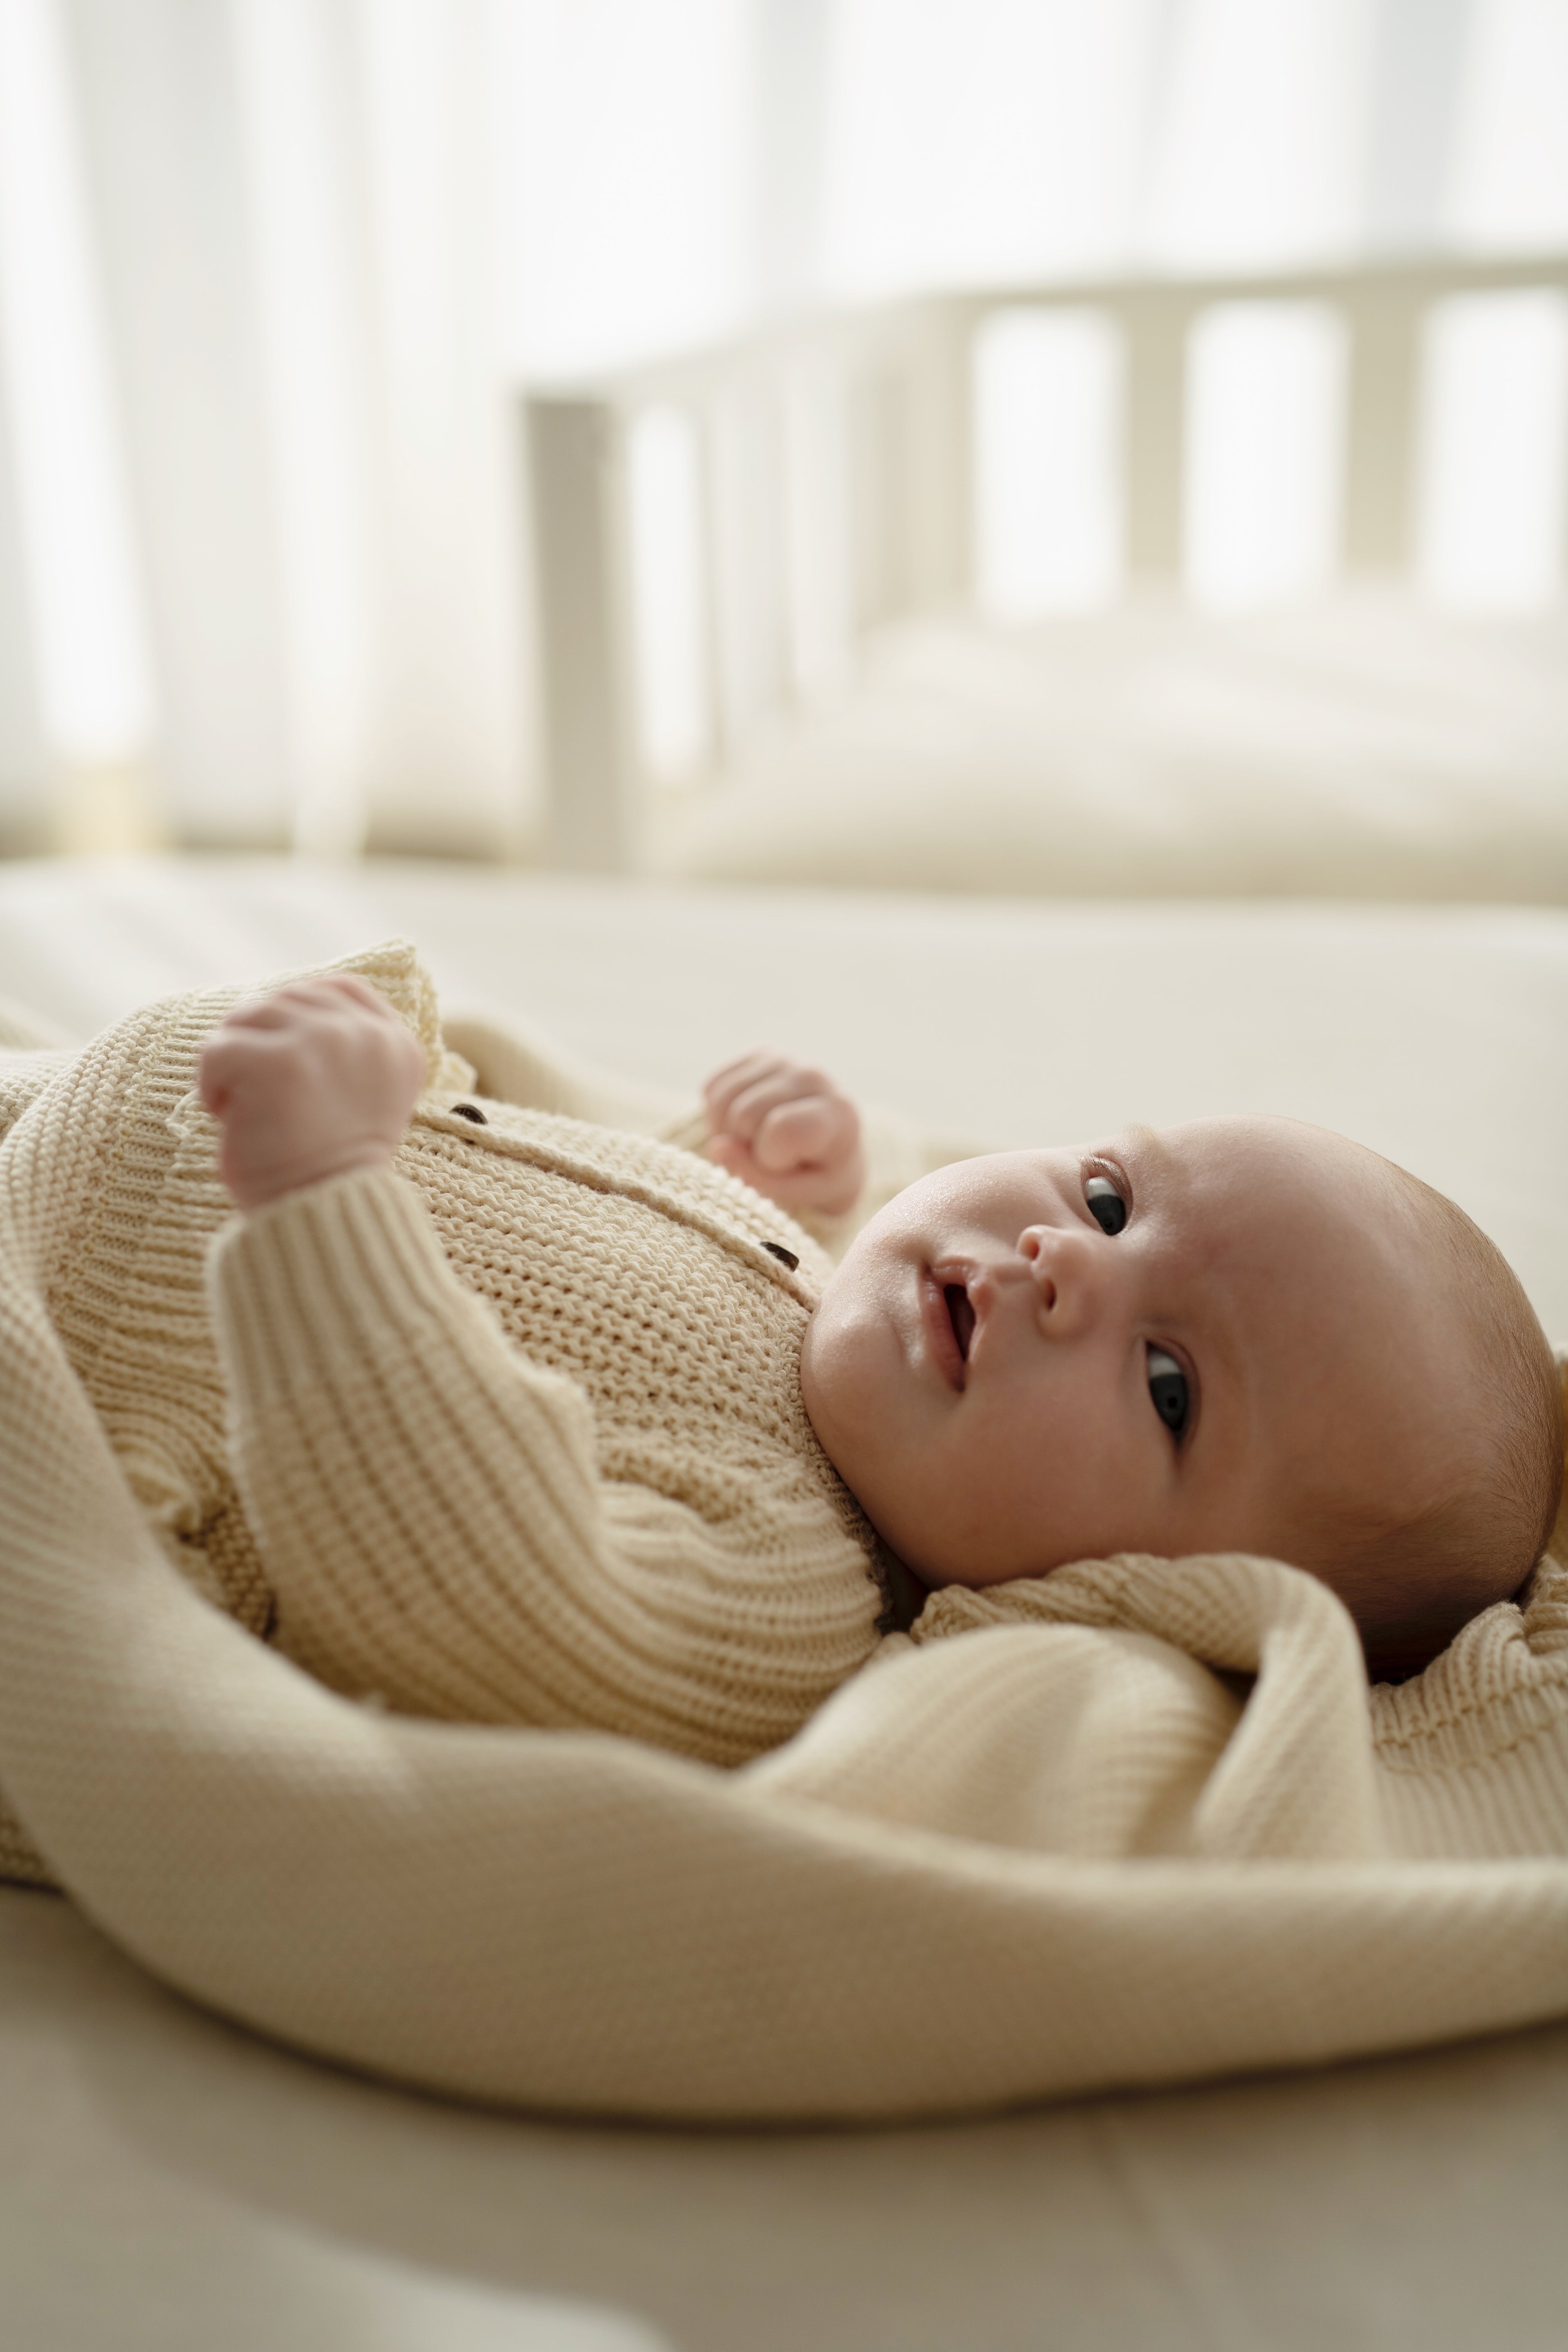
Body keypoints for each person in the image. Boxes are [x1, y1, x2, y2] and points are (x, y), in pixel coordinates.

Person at [197, 962, 1561, 1708]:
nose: (1066, 1263)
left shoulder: (787, 1588)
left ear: (1145, 1603)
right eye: (1108, 1199)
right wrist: (753, 1183)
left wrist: (321, 1202)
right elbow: (586, 1278)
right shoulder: (832, 1322)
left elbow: (476, 1592)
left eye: (1167, 1385)